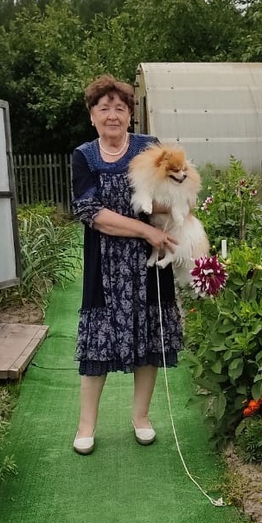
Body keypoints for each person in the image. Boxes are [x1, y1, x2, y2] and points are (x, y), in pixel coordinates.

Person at [70, 74, 183, 455]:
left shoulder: (149, 148)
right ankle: (86, 426)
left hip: (148, 261)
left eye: (120, 108)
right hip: (104, 262)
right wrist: (144, 230)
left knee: (148, 335)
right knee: (96, 345)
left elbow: (172, 195)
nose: (113, 115)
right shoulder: (84, 156)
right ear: (92, 116)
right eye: (104, 108)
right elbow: (92, 213)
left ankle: (141, 418)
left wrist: (166, 212)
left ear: (130, 115)